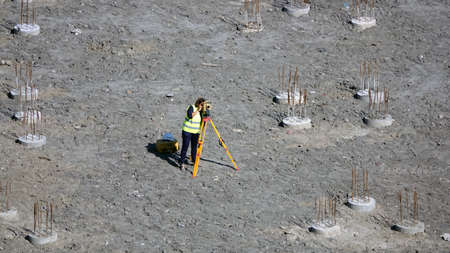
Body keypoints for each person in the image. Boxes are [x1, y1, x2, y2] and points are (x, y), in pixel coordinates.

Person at [179, 97, 205, 170]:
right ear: (198, 103)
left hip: (195, 132)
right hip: (187, 131)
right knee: (185, 147)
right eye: (202, 104)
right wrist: (197, 110)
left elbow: (202, 122)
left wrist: (204, 112)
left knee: (194, 147)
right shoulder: (191, 107)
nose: (202, 106)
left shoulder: (202, 112)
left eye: (203, 105)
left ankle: (194, 161)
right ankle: (182, 163)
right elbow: (190, 116)